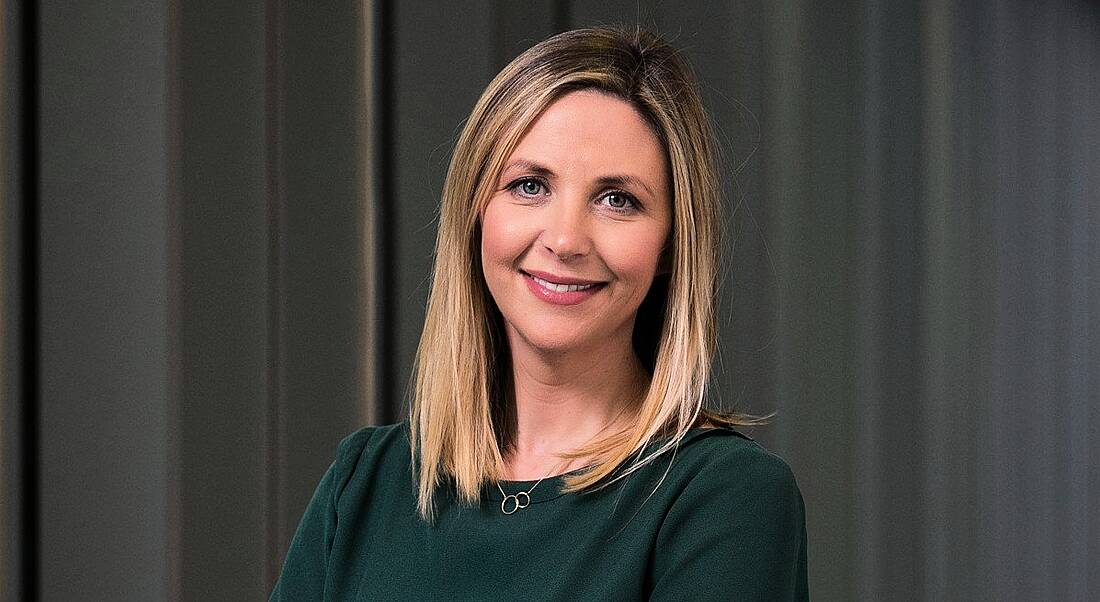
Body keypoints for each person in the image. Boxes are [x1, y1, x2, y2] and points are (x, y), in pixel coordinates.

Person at [270, 26, 808, 601]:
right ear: (475, 214)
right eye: (529, 186)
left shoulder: (725, 497)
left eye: (617, 200)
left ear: (671, 248)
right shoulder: (361, 486)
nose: (566, 239)